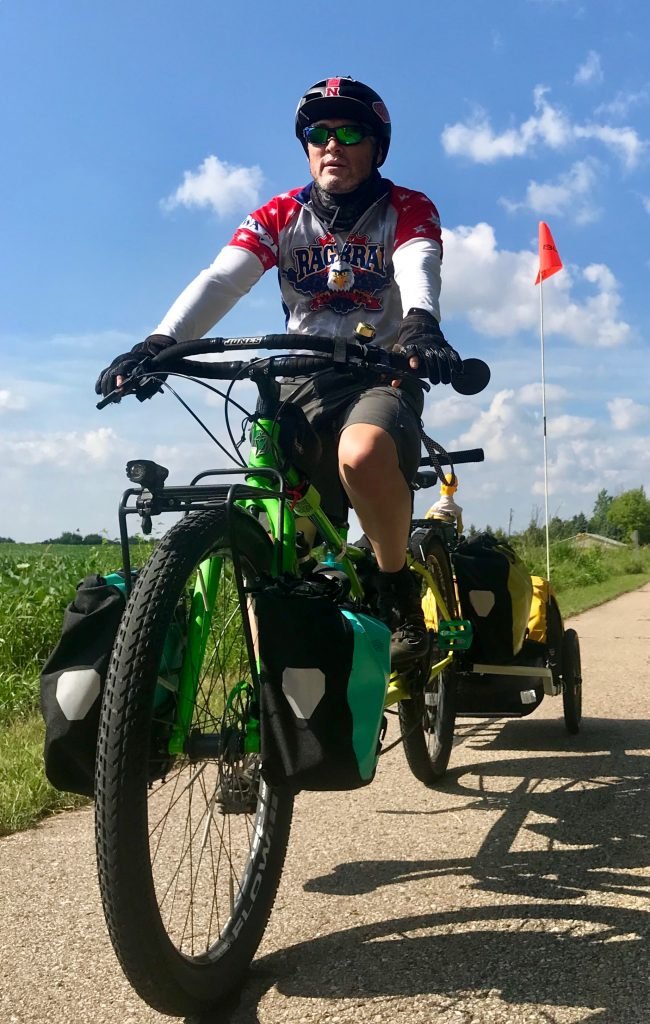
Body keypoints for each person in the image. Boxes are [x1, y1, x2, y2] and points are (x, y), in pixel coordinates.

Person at [96, 76, 462, 666]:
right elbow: (224, 277)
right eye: (319, 133)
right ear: (306, 145)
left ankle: (393, 586)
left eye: (350, 132)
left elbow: (419, 259)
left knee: (363, 456)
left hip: (377, 372)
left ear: (376, 147)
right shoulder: (279, 214)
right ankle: (281, 679)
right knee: (280, 536)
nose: (332, 144)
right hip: (297, 378)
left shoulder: (406, 207)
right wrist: (160, 342)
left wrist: (421, 321)